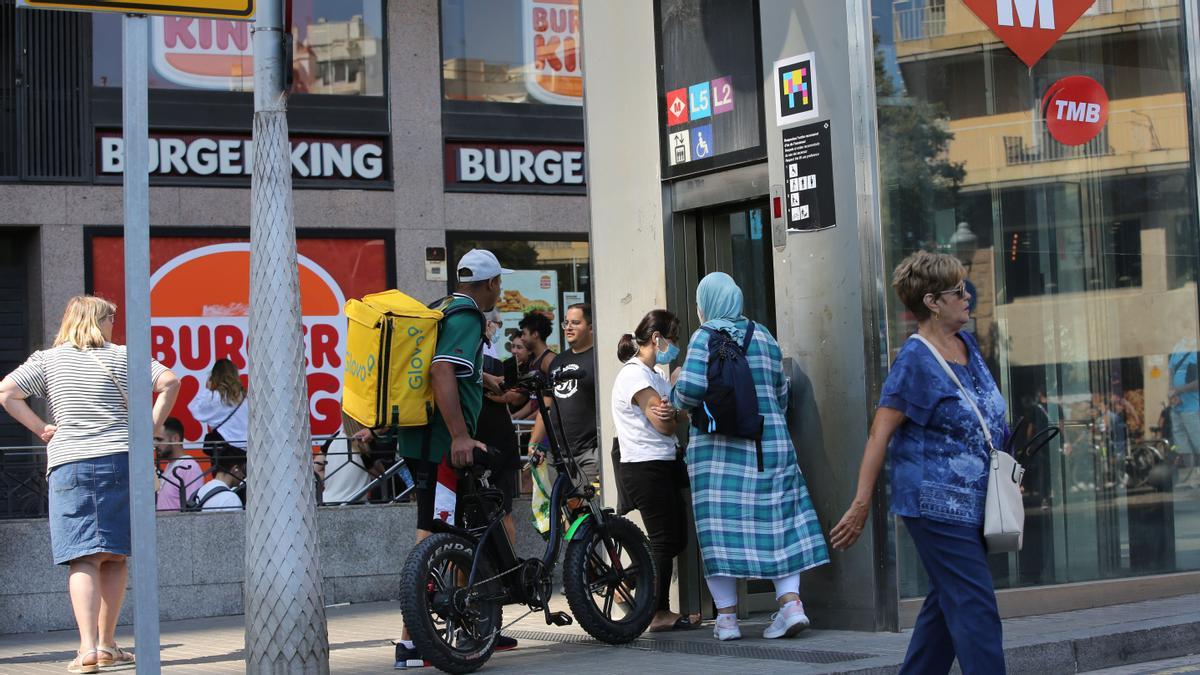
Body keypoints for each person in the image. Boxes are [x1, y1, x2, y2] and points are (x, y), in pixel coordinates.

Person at [830, 251, 1008, 674]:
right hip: (936, 505)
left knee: (947, 605)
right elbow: (880, 433)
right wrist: (860, 503)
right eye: (958, 291)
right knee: (975, 606)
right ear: (932, 302)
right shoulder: (916, 360)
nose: (968, 297)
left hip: (977, 501)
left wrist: (1006, 472)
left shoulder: (966, 344)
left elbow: (987, 414)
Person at [0, 296, 180, 673]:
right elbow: (170, 381)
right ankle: (107, 643)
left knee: (83, 556)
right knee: (114, 555)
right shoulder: (123, 355)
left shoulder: (48, 360)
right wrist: (150, 427)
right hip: (122, 460)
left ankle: (87, 650)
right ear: (100, 320)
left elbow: (7, 392)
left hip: (70, 463)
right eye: (112, 316)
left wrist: (41, 429)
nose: (116, 322)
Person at [670, 273, 829, 642]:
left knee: (718, 531)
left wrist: (676, 391)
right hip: (769, 445)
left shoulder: (703, 336)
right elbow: (781, 390)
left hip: (716, 454)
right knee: (780, 523)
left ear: (705, 304)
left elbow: (691, 389)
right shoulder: (763, 336)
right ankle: (790, 605)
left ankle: (726, 621)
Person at [382, 248, 516, 666]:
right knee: (432, 533)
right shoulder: (468, 317)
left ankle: (427, 635)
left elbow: (448, 366)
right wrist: (460, 436)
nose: (499, 291)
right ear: (491, 283)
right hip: (441, 446)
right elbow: (441, 370)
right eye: (499, 284)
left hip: (420, 439)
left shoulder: (441, 307)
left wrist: (482, 374)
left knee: (440, 530)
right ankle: (411, 639)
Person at [611, 309, 698, 632]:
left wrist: (673, 411)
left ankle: (624, 582)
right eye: (672, 338)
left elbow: (673, 416)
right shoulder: (635, 375)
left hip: (663, 463)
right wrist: (674, 414)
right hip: (644, 466)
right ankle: (658, 611)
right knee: (664, 540)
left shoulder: (656, 375)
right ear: (656, 338)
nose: (675, 345)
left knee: (674, 539)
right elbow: (663, 425)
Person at [527, 303, 600, 487]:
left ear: (591, 327)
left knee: (588, 510)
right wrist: (534, 443)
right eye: (566, 322)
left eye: (575, 322)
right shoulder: (558, 360)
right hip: (557, 454)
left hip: (589, 453)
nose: (568, 327)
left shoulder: (598, 359)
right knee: (561, 510)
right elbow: (546, 405)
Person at [478, 310, 522, 546]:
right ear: (487, 323)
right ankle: (509, 575)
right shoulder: (479, 350)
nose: (497, 329)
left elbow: (508, 396)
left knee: (501, 512)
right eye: (497, 324)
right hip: (486, 441)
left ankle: (509, 574)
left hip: (493, 439)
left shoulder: (487, 350)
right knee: (501, 512)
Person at [188, 358, 248, 451]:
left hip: (225, 451)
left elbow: (194, 408)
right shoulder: (245, 398)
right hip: (247, 450)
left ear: (214, 376)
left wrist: (209, 386)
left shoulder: (213, 397)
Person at [155, 416, 203, 512]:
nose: (155, 444)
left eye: (159, 440)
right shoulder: (171, 465)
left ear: (175, 438)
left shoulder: (189, 467)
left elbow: (192, 509)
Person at [193, 445, 246, 511]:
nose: (243, 476)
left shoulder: (201, 490)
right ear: (236, 469)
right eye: (243, 469)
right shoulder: (231, 499)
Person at [502, 335, 537, 420]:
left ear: (529, 351)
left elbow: (517, 400)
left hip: (529, 423)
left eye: (519, 347)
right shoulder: (509, 365)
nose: (514, 351)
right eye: (513, 346)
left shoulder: (533, 368)